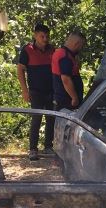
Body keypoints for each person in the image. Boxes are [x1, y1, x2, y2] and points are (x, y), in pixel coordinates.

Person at [16, 23, 55, 161]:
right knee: (36, 118)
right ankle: (33, 149)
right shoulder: (27, 50)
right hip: (35, 91)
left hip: (51, 90)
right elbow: (20, 70)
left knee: (51, 118)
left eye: (47, 36)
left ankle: (48, 146)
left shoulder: (52, 50)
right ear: (35, 36)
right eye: (42, 36)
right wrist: (25, 90)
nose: (45, 39)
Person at [51, 31, 86, 112]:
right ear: (76, 43)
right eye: (82, 45)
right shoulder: (65, 57)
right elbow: (66, 79)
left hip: (63, 100)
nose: (81, 48)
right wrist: (74, 97)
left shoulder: (62, 53)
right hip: (66, 103)